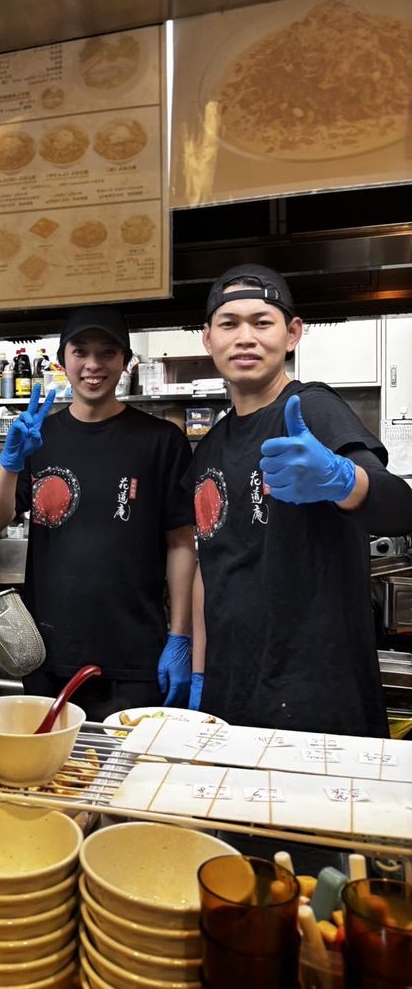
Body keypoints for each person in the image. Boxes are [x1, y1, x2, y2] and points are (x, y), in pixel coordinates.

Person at [187, 264, 412, 736]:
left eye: (261, 322)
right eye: (229, 324)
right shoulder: (209, 446)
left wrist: (342, 479)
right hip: (232, 689)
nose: (245, 337)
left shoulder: (309, 408)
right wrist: (200, 669)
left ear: (292, 334)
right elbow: (211, 564)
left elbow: (400, 506)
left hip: (314, 691)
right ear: (208, 339)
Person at [0, 306, 197, 721]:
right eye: (81, 352)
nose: (93, 365)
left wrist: (179, 636)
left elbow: (181, 543)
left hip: (133, 654)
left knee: (127, 777)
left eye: (107, 353)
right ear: (63, 361)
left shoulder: (160, 440)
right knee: (50, 774)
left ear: (125, 362)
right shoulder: (40, 438)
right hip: (48, 654)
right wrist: (9, 463)